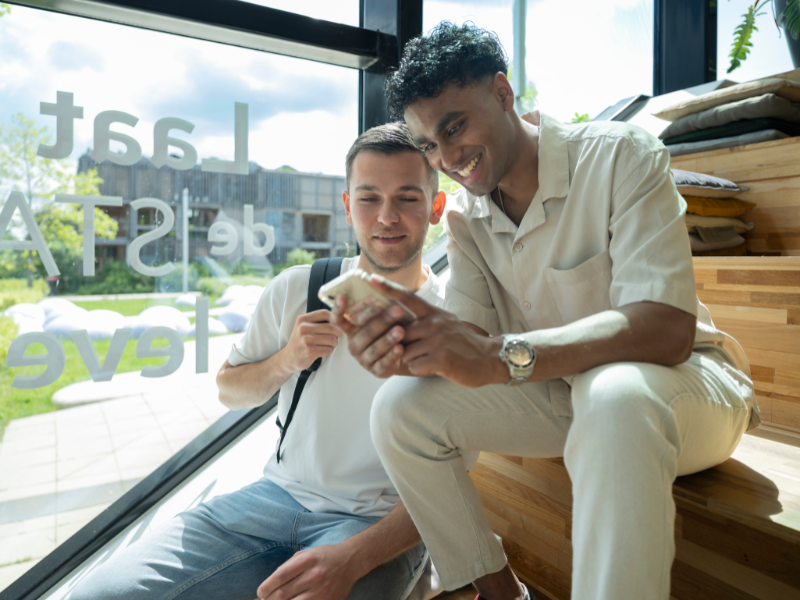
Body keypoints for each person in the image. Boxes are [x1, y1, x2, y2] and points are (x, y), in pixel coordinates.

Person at [333, 22, 759, 600]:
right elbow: (470, 347)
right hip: (562, 394)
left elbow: (666, 328)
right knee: (398, 410)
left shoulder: (621, 156)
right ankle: (502, 593)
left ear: (504, 94)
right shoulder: (465, 219)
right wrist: (401, 349)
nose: (449, 157)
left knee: (613, 392)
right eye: (430, 144)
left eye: (454, 126)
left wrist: (501, 355)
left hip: (684, 391)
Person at [67, 122, 452, 600]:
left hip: (376, 522)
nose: (386, 217)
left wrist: (354, 558)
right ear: (348, 207)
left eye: (407, 198)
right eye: (370, 198)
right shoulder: (300, 288)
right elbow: (229, 390)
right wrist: (287, 358)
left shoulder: (456, 321)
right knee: (98, 594)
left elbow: (449, 487)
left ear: (436, 208)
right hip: (271, 500)